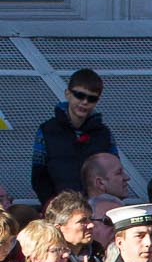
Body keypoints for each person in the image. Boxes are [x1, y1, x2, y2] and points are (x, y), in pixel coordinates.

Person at [30, 69, 119, 204]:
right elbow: (39, 175)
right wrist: (50, 205)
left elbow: (114, 173)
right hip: (61, 209)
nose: (84, 102)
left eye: (91, 98)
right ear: (68, 94)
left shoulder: (104, 134)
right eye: (79, 95)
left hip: (97, 208)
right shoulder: (46, 131)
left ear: (97, 101)